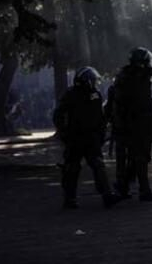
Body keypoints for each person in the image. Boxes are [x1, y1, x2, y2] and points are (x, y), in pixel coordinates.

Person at [53, 67, 121, 209]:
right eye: (93, 80)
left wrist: (101, 133)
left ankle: (107, 195)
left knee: (98, 165)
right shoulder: (71, 95)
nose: (95, 83)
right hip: (75, 137)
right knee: (71, 168)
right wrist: (64, 132)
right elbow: (58, 114)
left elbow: (100, 117)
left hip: (91, 137)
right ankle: (69, 199)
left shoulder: (95, 94)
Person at [112, 47, 152, 201]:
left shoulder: (132, 77)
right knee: (141, 158)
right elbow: (141, 103)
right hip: (136, 124)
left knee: (138, 158)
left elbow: (147, 102)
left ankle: (124, 186)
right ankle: (141, 190)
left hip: (137, 123)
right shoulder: (136, 79)